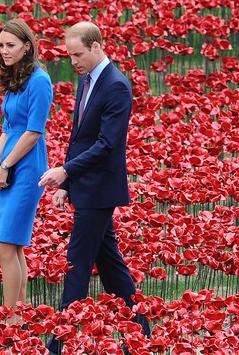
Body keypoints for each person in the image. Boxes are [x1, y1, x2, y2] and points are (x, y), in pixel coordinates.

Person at [39, 21, 150, 354]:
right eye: (70, 56)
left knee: (76, 265)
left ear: (97, 46)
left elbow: (106, 144)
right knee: (113, 269)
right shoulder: (87, 80)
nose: (73, 62)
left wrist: (64, 172)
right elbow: (79, 138)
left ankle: (56, 345)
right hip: (85, 186)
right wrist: (68, 183)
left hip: (100, 189)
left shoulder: (116, 86)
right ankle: (142, 337)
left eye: (78, 55)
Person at [0, 18, 53, 325]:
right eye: (1, 45)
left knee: (4, 245)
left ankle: (10, 318)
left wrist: (6, 165)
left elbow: (33, 132)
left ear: (27, 46)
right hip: (10, 165)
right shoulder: (15, 80)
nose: (4, 50)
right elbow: (7, 128)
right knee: (14, 246)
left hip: (27, 170)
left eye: (11, 45)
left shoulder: (40, 81)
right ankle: (21, 315)